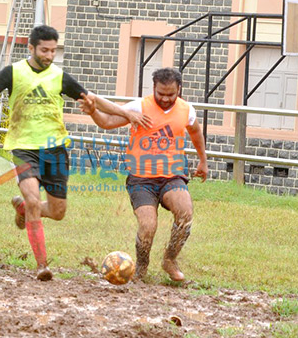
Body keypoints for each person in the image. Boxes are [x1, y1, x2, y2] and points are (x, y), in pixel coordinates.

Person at [0, 25, 149, 281]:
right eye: (44, 50)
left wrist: (126, 113)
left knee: (57, 212)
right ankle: (41, 265)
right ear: (31, 48)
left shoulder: (59, 76)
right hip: (23, 147)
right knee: (34, 200)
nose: (49, 55)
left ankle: (22, 208)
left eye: (54, 50)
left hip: (55, 150)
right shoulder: (13, 73)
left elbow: (93, 98)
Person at [78, 67, 208, 282]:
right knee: (148, 226)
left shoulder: (187, 110)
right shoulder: (139, 106)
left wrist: (203, 160)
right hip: (141, 178)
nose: (165, 99)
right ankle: (142, 266)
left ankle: (170, 260)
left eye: (171, 94)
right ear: (153, 88)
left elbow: (196, 132)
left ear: (179, 89)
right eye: (161, 94)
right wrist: (92, 110)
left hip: (172, 175)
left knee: (185, 213)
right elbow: (107, 122)